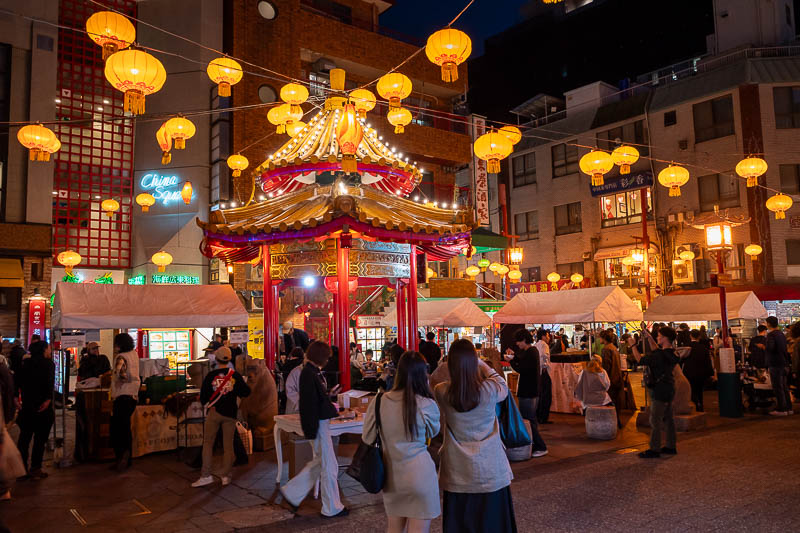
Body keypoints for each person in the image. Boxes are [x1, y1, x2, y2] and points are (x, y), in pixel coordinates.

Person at [434, 339, 517, 533]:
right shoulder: (489, 390)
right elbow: (502, 384)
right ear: (474, 362)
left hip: (457, 471)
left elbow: (438, 379)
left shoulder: (442, 391)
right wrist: (481, 363)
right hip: (490, 469)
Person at [362, 351, 440, 533]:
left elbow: (367, 437)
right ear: (423, 375)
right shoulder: (427, 404)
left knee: (394, 529)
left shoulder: (379, 401)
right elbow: (433, 432)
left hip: (392, 478)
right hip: (421, 475)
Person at [279, 341, 348, 518]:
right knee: (328, 466)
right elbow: (311, 403)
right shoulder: (309, 374)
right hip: (317, 424)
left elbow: (311, 400)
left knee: (321, 463)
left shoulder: (309, 372)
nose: (328, 360)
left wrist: (328, 396)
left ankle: (292, 492)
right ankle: (331, 507)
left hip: (315, 424)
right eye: (326, 357)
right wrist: (329, 404)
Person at [193, 347, 252, 487]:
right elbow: (246, 392)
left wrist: (209, 403)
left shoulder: (210, 375)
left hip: (214, 413)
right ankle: (225, 475)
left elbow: (203, 396)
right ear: (229, 358)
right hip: (230, 413)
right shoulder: (235, 376)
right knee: (228, 445)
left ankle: (206, 475)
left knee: (208, 443)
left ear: (216, 359)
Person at [631, 324, 680, 458]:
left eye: (659, 336)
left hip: (659, 390)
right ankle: (670, 446)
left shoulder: (660, 356)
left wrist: (633, 346)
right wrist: (648, 336)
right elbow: (656, 349)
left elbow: (640, 359)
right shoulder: (672, 353)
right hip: (669, 387)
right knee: (668, 419)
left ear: (665, 338)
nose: (657, 338)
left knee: (655, 420)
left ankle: (654, 449)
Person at [16, 340, 55, 479]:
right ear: (44, 350)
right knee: (40, 440)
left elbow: (17, 382)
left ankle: (21, 470)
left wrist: (15, 398)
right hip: (42, 408)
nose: (50, 350)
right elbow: (50, 383)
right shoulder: (48, 364)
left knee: (24, 439)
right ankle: (35, 469)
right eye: (48, 348)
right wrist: (48, 400)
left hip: (27, 407)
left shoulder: (25, 364)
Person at [505, 329, 547, 457]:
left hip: (528, 391)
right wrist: (514, 356)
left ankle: (541, 446)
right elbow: (523, 362)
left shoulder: (531, 352)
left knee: (529, 420)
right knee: (531, 420)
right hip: (531, 391)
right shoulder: (531, 351)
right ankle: (535, 445)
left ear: (524, 339)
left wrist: (511, 361)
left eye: (518, 341)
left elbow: (521, 368)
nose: (517, 344)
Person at [109, 333, 140, 471]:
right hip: (133, 396)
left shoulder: (121, 357)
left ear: (120, 344)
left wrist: (114, 377)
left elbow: (121, 376)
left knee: (118, 430)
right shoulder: (134, 354)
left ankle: (122, 457)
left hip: (122, 396)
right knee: (126, 428)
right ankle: (127, 458)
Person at [680, 329, 714, 412]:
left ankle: (693, 406)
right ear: (699, 337)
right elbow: (707, 361)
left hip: (688, 372)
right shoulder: (703, 348)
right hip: (701, 373)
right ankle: (700, 406)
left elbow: (681, 360)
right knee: (699, 390)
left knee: (690, 390)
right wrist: (711, 374)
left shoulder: (686, 346)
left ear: (690, 336)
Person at [765, 316, 792, 416]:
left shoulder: (771, 335)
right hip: (784, 363)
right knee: (784, 387)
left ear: (768, 324)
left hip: (775, 363)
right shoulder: (781, 334)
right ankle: (788, 408)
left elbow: (771, 348)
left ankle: (782, 409)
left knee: (777, 387)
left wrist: (764, 347)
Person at [600, 330, 623, 428]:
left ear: (604, 338)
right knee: (616, 401)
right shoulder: (614, 348)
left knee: (609, 401)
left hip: (611, 378)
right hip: (617, 377)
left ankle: (612, 422)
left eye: (600, 337)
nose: (599, 339)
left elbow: (606, 366)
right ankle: (617, 420)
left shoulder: (606, 349)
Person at [534, 329, 553, 424]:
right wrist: (544, 367)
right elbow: (544, 357)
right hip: (544, 372)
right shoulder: (544, 345)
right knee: (546, 395)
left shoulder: (536, 345)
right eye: (548, 336)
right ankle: (543, 417)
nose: (549, 338)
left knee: (540, 395)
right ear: (543, 336)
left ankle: (539, 416)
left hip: (538, 372)